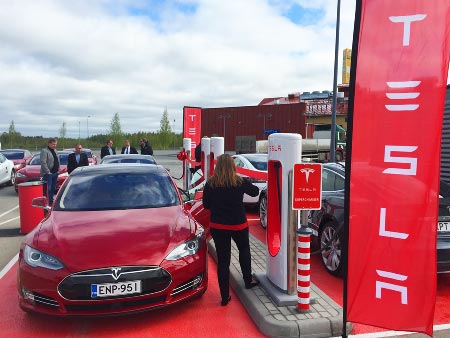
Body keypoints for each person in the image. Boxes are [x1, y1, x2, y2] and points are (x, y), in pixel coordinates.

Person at [202, 154, 260, 306]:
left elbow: (206, 205)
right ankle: (248, 280)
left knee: (223, 260)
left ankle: (224, 296)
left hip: (218, 226)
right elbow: (255, 192)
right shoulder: (239, 181)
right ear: (233, 167)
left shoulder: (210, 184)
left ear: (218, 166)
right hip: (238, 224)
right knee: (244, 249)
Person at [40, 138, 60, 205]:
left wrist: (58, 170)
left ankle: (51, 201)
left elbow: (58, 160)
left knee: (53, 188)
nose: (55, 145)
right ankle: (46, 202)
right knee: (47, 189)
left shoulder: (55, 151)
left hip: (55, 173)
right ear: (49, 144)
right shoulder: (44, 151)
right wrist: (48, 171)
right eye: (53, 144)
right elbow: (43, 162)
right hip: (48, 174)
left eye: (56, 144)